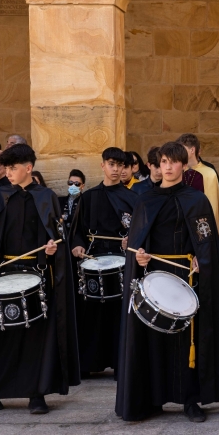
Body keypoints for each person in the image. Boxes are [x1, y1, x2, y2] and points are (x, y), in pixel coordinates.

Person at [116, 142, 219, 422]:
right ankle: (153, 398)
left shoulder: (196, 200)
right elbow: (137, 242)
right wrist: (139, 257)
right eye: (164, 162)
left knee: (188, 339)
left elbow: (206, 239)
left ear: (184, 165)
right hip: (154, 278)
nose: (169, 167)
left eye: (174, 162)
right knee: (153, 338)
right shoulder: (145, 200)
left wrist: (202, 258)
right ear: (158, 166)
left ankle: (190, 400)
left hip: (187, 277)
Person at [0, 144, 79, 414]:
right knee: (2, 334)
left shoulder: (46, 196)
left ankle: (36, 394)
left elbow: (56, 234)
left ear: (28, 168)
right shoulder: (0, 195)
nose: (7, 173)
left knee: (36, 336)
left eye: (12, 168)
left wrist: (53, 248)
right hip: (4, 271)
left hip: (37, 273)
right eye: (6, 168)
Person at [70, 147, 137, 379]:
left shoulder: (132, 197)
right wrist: (77, 245)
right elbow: (77, 231)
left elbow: (141, 230)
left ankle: (121, 363)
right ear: (102, 166)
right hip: (94, 259)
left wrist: (133, 239)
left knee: (119, 313)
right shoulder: (88, 197)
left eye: (121, 165)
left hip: (123, 261)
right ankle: (89, 362)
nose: (116, 170)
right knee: (92, 312)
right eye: (112, 164)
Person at [176, 134, 219, 248]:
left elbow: (212, 207)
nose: (178, 153)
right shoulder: (178, 172)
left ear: (192, 150)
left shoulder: (209, 173)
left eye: (181, 149)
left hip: (201, 228)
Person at [58, 169, 86, 234]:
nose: (73, 186)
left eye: (77, 184)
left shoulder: (85, 201)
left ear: (82, 186)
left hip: (79, 237)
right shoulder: (60, 201)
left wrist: (66, 217)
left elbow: (83, 220)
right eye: (70, 183)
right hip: (63, 237)